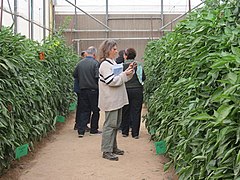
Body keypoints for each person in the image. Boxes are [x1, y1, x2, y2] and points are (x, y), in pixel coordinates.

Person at [98, 39, 136, 161]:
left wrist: (128, 72)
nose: (116, 51)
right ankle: (106, 150)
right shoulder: (105, 65)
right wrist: (124, 74)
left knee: (115, 124)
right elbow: (111, 81)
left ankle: (113, 147)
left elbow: (121, 78)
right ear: (107, 50)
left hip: (116, 99)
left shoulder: (113, 63)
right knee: (110, 125)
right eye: (114, 49)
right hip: (111, 99)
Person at [73, 46, 101, 138]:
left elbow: (75, 74)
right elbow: (97, 76)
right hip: (93, 90)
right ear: (94, 54)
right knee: (95, 110)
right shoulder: (95, 63)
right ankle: (93, 129)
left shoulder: (80, 63)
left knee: (84, 110)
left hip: (82, 90)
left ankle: (81, 131)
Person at [121, 48, 146, 139]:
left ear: (126, 56)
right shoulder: (138, 65)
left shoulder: (122, 66)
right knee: (136, 111)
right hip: (137, 90)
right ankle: (135, 134)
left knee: (125, 111)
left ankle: (125, 132)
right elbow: (143, 78)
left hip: (125, 90)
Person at [73, 50, 88, 130]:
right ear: (82, 56)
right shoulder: (80, 64)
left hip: (81, 88)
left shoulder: (80, 64)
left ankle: (79, 124)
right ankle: (80, 124)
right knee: (82, 107)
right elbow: (74, 75)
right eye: (85, 56)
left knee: (81, 106)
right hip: (80, 88)